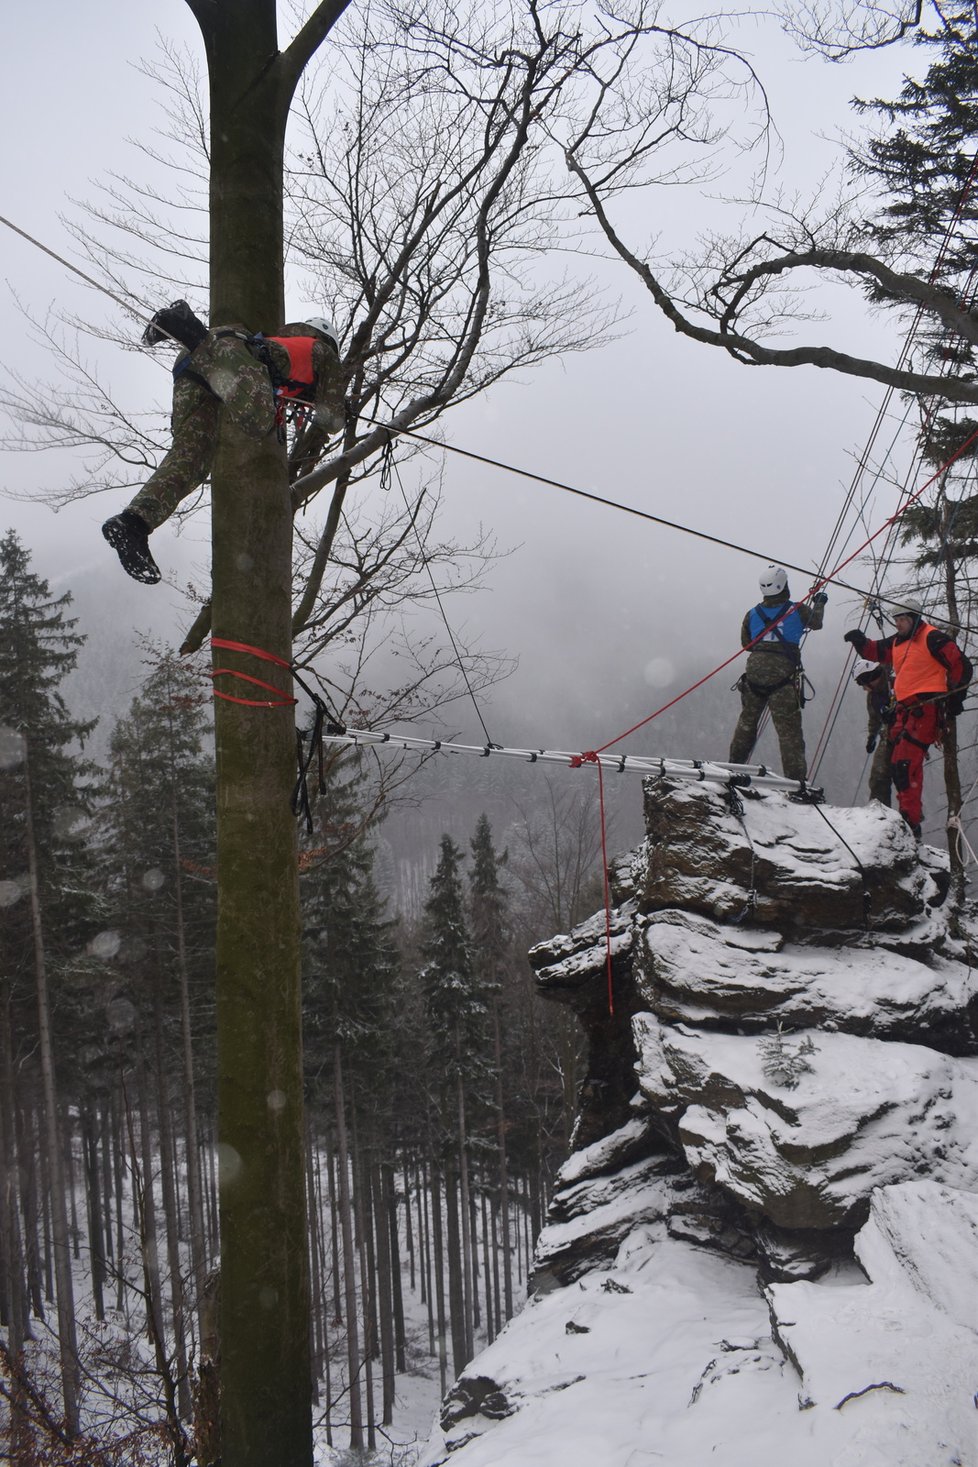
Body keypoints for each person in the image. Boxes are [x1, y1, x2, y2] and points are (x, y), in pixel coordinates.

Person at [101, 301, 346, 583]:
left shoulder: (280, 343)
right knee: (258, 419)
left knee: (192, 458)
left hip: (199, 369)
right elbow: (332, 420)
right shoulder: (323, 351)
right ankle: (188, 327)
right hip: (222, 353)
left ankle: (133, 524)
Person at [844, 602, 971, 837]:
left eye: (902, 619)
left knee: (905, 764)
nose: (898, 623)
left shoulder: (933, 638)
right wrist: (859, 641)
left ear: (913, 618)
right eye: (896, 620)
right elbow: (876, 651)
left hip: (926, 707)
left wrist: (955, 698)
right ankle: (907, 816)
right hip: (904, 710)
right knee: (896, 765)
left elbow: (961, 665)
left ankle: (910, 820)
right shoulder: (898, 641)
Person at [728, 565, 828, 782]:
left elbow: (747, 644)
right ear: (784, 586)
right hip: (782, 676)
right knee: (789, 732)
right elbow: (816, 623)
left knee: (747, 723)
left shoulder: (752, 614)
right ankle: (795, 780)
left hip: (754, 673)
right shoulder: (798, 610)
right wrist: (819, 603)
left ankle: (733, 767)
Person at [852, 658, 893, 806]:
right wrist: (871, 738)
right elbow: (874, 719)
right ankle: (880, 810)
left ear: (870, 678)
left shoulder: (894, 682)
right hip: (888, 735)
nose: (863, 688)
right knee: (878, 775)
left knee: (904, 776)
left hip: (906, 732)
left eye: (862, 683)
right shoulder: (873, 697)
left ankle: (910, 819)